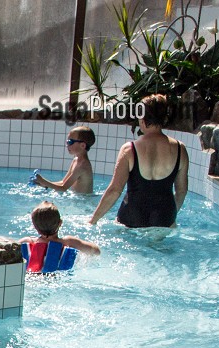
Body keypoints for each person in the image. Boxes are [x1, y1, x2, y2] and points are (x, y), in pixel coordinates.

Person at [89, 94, 188, 229]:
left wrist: (93, 220)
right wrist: (170, 214)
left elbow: (115, 190)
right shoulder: (180, 149)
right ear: (164, 117)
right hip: (164, 219)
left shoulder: (129, 149)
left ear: (142, 119)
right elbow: (181, 191)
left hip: (131, 218)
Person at [21, 201, 100, 273]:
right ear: (60, 223)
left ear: (34, 226)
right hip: (59, 278)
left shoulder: (28, 241)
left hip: (32, 277)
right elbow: (96, 251)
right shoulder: (69, 242)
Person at [33, 125, 95, 195]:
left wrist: (43, 181)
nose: (67, 145)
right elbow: (63, 182)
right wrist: (44, 184)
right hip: (77, 199)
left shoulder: (83, 166)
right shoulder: (76, 160)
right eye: (67, 141)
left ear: (82, 145)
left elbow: (63, 188)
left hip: (83, 202)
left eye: (70, 142)